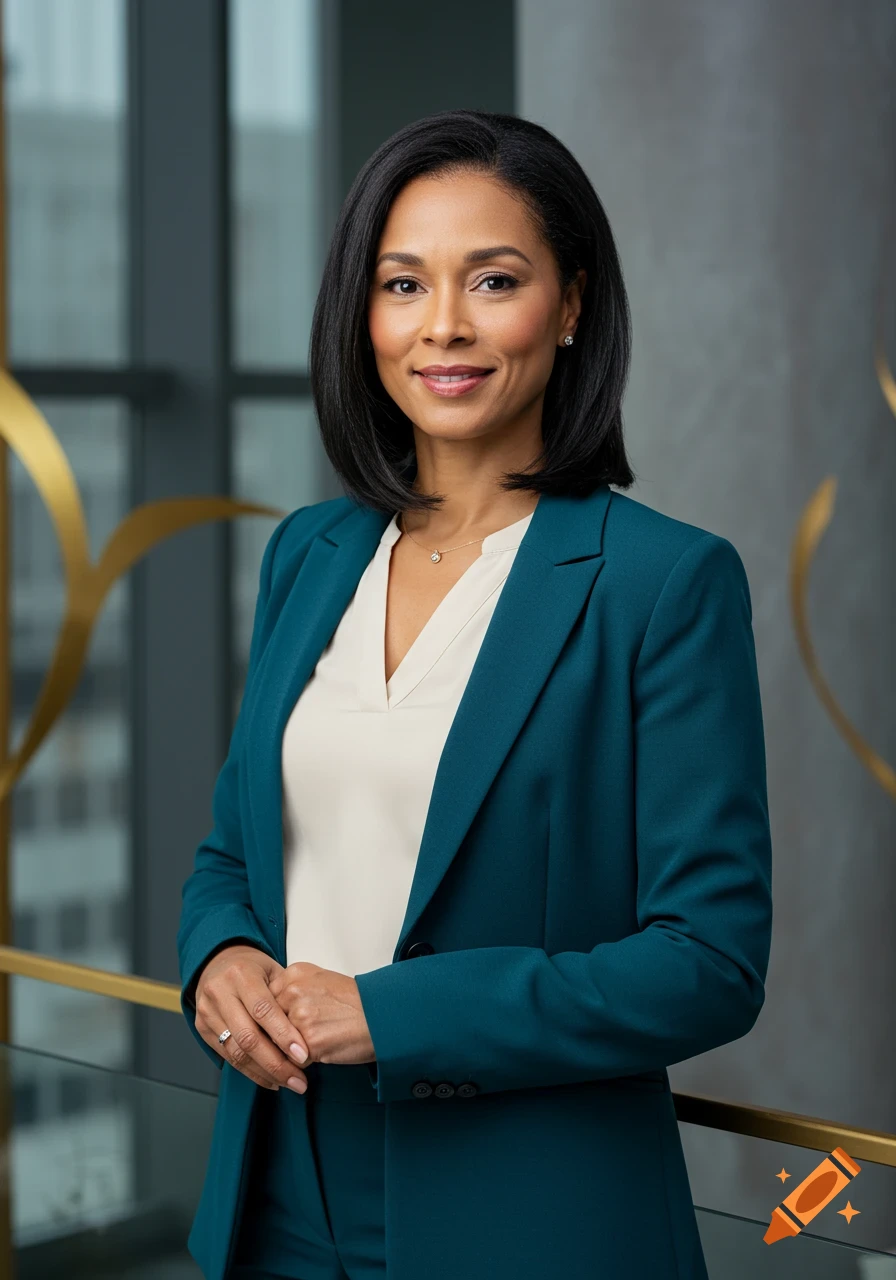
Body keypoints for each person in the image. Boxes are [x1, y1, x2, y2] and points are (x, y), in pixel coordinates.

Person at [177, 108, 773, 1280]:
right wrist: (219, 958)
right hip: (275, 1187)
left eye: (491, 280)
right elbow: (232, 853)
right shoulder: (308, 552)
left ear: (570, 302)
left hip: (529, 1210)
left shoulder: (662, 581)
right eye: (401, 284)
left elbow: (708, 959)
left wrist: (398, 1013)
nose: (440, 326)